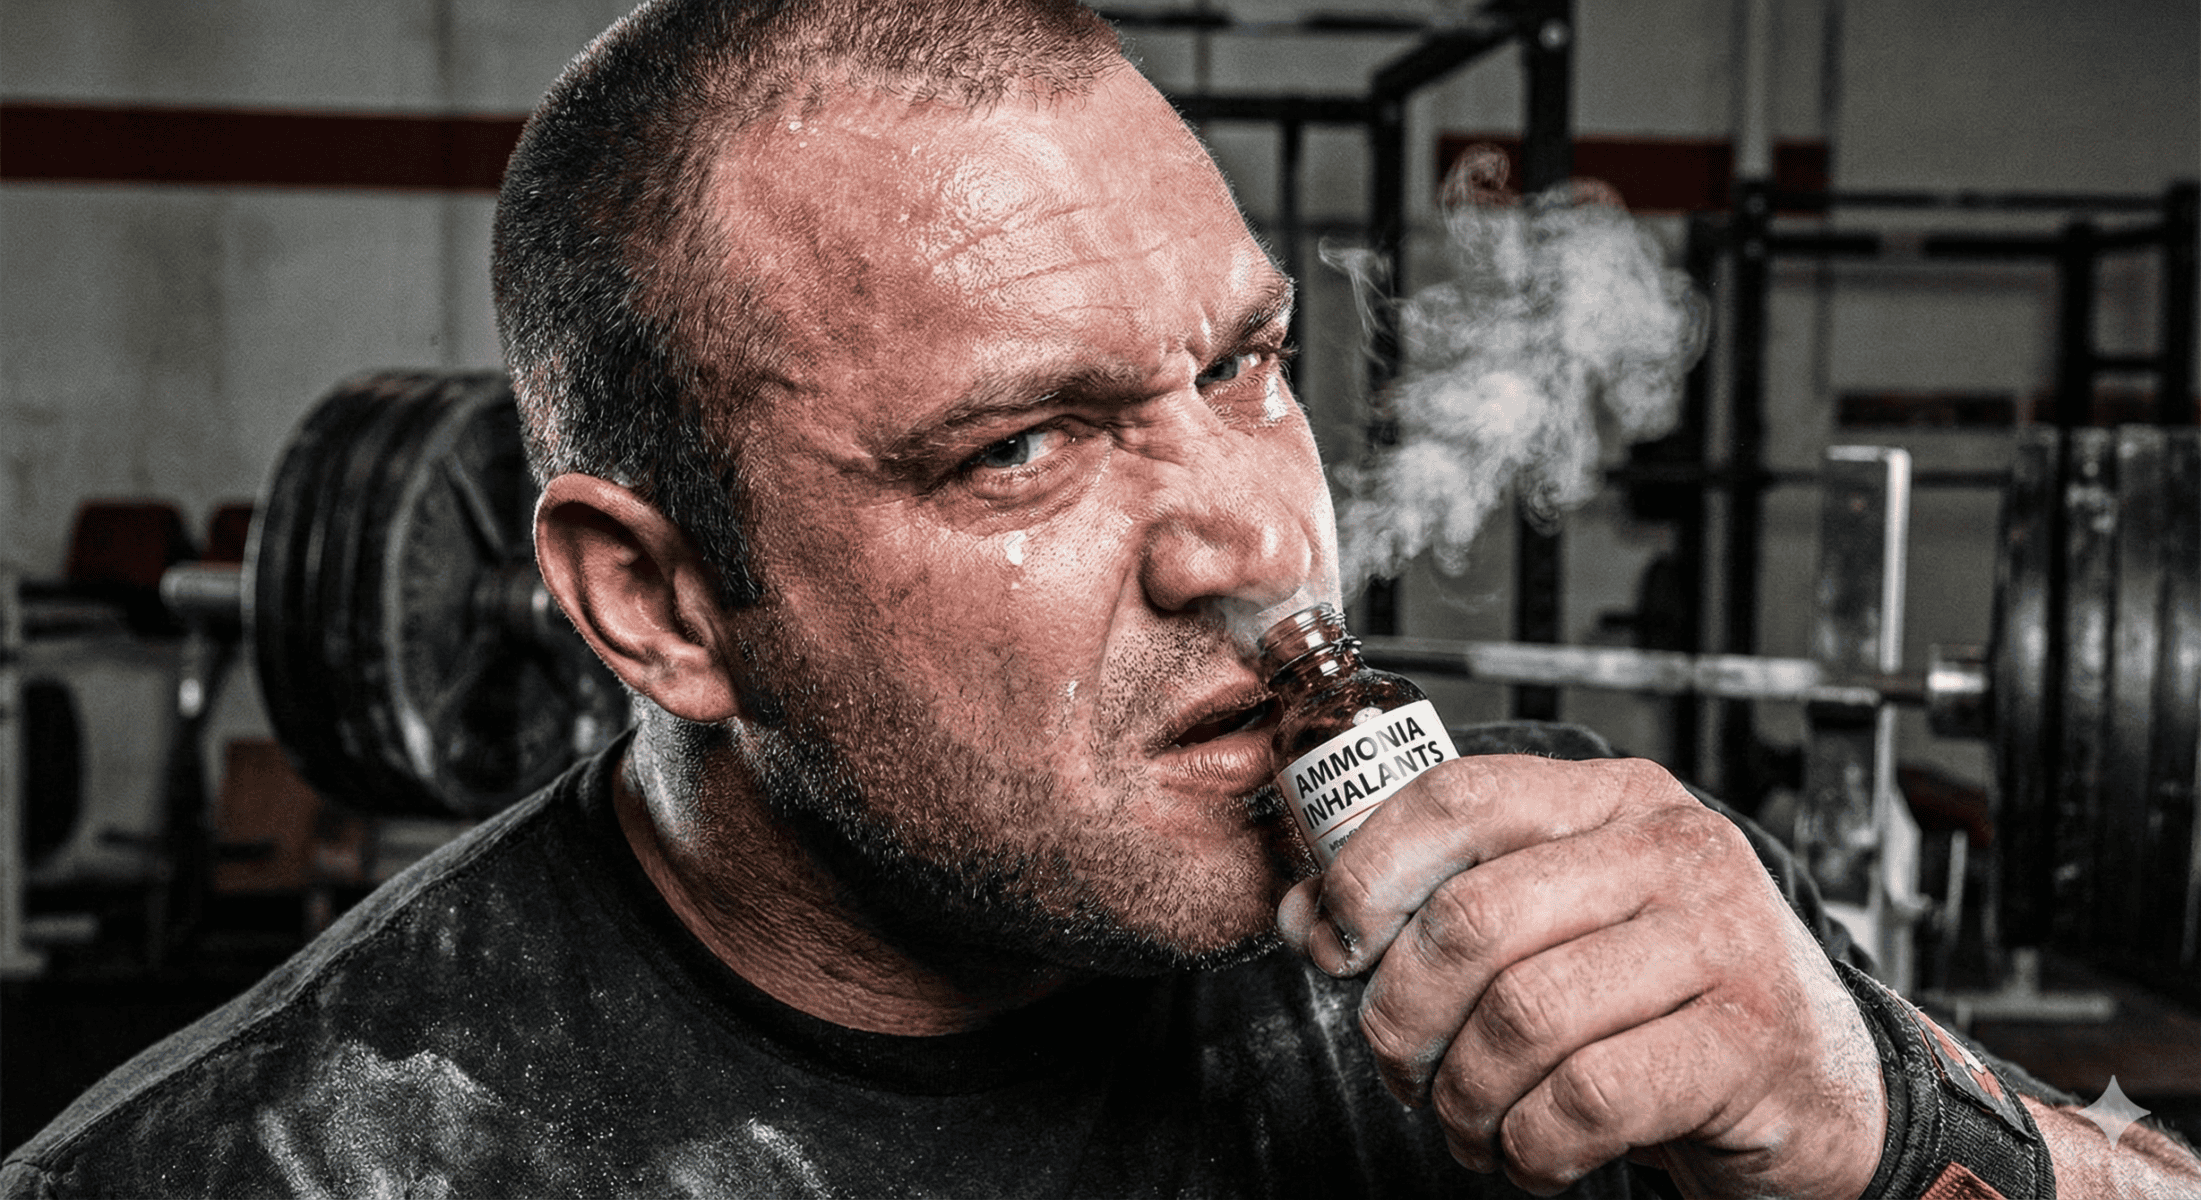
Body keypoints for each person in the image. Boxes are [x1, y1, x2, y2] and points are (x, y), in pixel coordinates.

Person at [6, 1, 2198, 1196]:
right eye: (1020, 448)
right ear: (651, 602)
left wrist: (1876, 1120)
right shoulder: (282, 1173)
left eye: (1244, 369)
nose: (1245, 540)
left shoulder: (1568, 907)